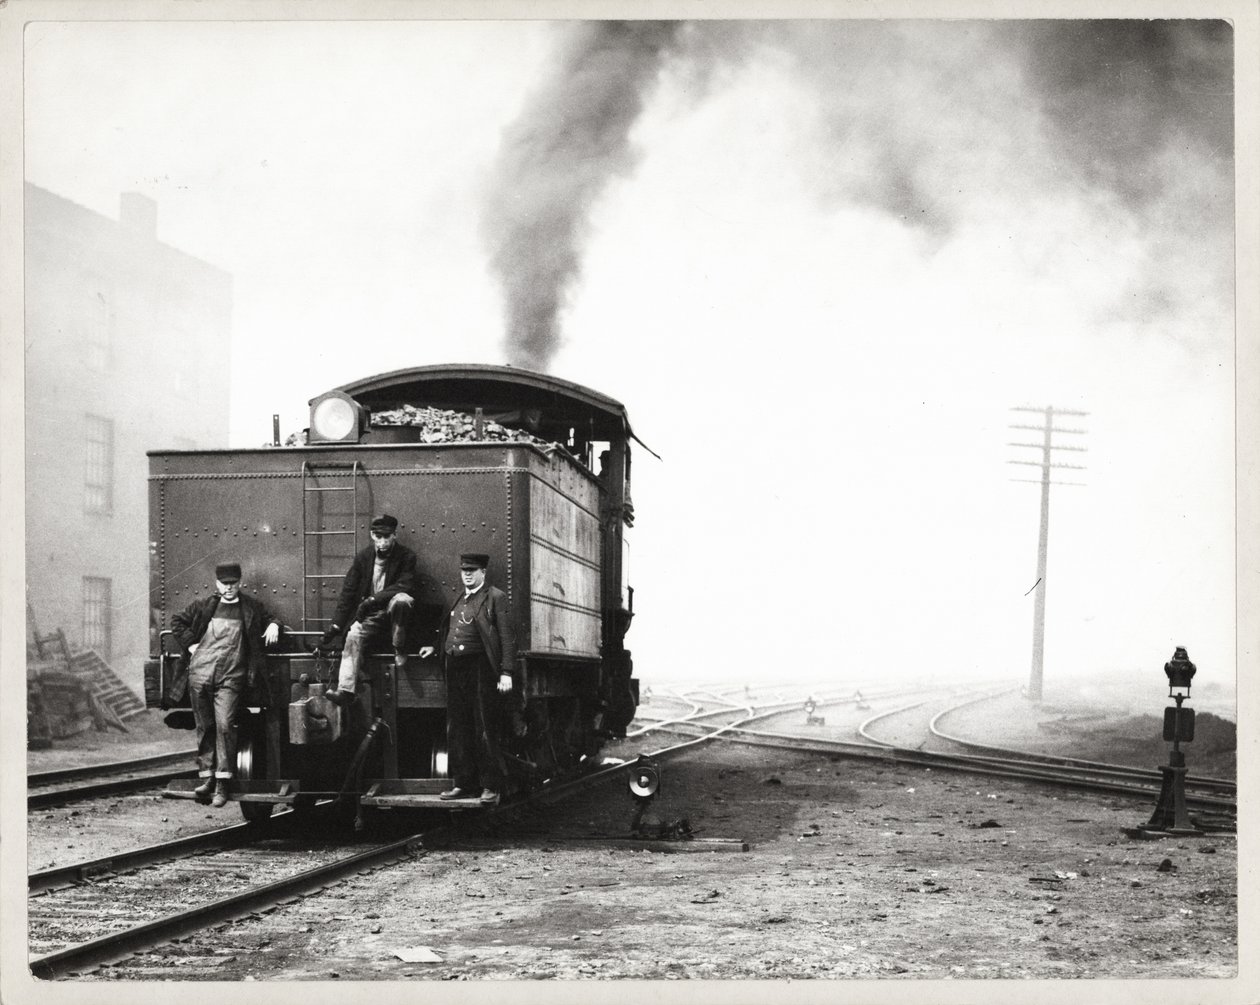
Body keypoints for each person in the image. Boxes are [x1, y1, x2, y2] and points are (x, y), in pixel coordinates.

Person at [171, 562, 281, 807]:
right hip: (200, 674)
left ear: (239, 582)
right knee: (205, 726)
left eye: (233, 583)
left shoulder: (250, 608)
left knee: (225, 725)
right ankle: (208, 779)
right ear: (217, 583)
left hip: (231, 677)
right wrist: (190, 644)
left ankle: (223, 783)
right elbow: (176, 621)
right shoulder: (204, 607)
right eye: (224, 584)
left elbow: (271, 617)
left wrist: (274, 624)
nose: (229, 588)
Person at [419, 552, 516, 806]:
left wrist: (506, 672)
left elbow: (506, 637)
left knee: (484, 726)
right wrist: (435, 648)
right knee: (458, 725)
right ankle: (464, 783)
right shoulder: (461, 598)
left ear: (483, 572)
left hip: (481, 668)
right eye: (464, 571)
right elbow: (451, 630)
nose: (468, 575)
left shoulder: (495, 597)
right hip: (456, 667)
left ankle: (490, 786)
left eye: (472, 570)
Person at [322, 514, 418, 707]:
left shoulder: (407, 557)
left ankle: (399, 646)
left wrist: (373, 599)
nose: (382, 542)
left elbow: (404, 585)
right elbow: (348, 592)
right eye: (378, 537)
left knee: (402, 600)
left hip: (393, 614)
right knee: (353, 634)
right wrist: (335, 625)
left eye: (387, 537)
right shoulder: (363, 557)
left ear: (394, 536)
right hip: (371, 615)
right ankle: (346, 690)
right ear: (372, 536)